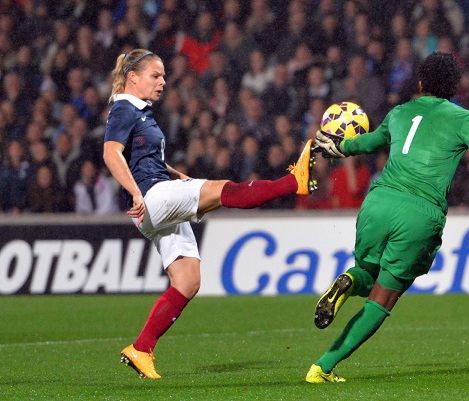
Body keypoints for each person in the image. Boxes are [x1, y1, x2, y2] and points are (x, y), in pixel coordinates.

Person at [306, 52, 469, 383]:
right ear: (456, 88)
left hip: (378, 201)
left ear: (421, 84)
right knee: (384, 295)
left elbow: (368, 143)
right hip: (419, 213)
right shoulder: (466, 120)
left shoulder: (399, 112)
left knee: (367, 273)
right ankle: (322, 367)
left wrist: (337, 147)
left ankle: (349, 281)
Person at [103, 49, 317, 379]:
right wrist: (134, 191)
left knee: (188, 281)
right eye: (155, 75)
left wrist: (176, 175)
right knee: (223, 190)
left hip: (155, 199)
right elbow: (111, 152)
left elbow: (142, 158)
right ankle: (293, 182)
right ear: (133, 77)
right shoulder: (124, 108)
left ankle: (141, 348)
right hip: (151, 198)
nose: (163, 81)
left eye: (163, 75)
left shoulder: (140, 112)